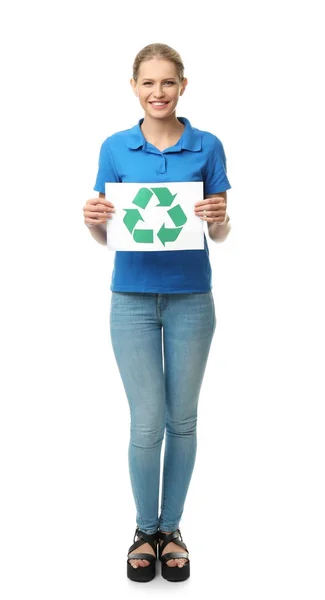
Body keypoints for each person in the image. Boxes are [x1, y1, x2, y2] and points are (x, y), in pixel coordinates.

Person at [83, 42, 231, 583]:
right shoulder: (115, 148)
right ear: (134, 87)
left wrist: (219, 216)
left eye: (168, 82)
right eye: (148, 83)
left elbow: (219, 229)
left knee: (182, 419)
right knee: (147, 423)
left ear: (183, 86)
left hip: (192, 298)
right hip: (132, 300)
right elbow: (106, 234)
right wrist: (92, 217)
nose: (158, 92)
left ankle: (174, 530)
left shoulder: (206, 146)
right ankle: (145, 531)